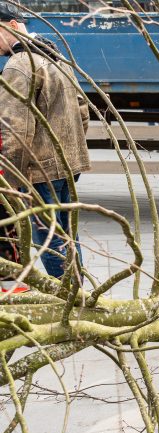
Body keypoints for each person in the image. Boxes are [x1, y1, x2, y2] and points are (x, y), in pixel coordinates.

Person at [0, 2, 90, 279]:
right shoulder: (55, 56)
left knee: (50, 242)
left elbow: (13, 130)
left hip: (39, 172)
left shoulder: (19, 66)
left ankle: (68, 302)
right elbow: (83, 110)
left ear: (12, 26)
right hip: (65, 166)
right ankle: (79, 296)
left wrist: (8, 182)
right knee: (68, 237)